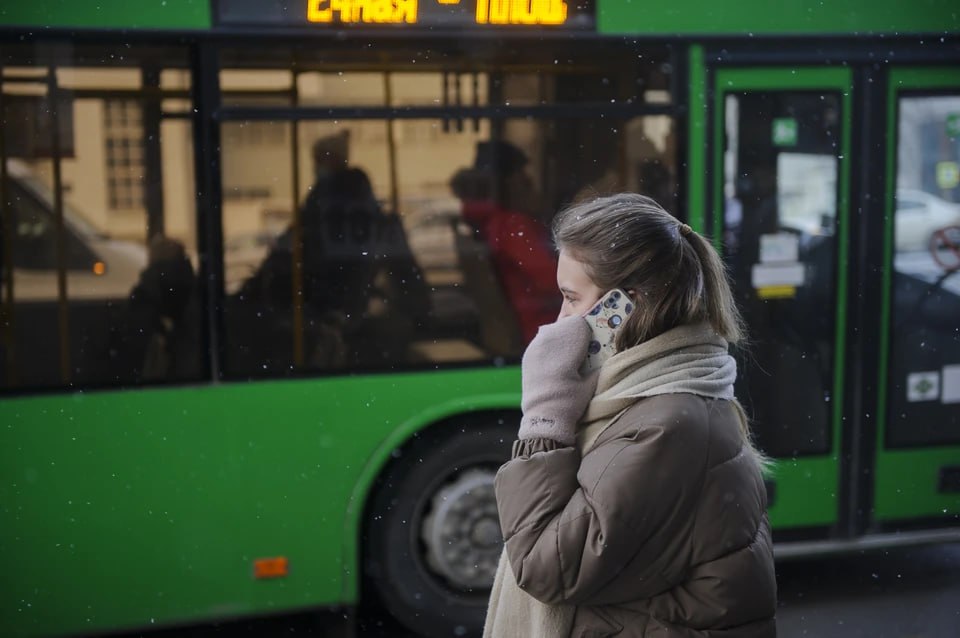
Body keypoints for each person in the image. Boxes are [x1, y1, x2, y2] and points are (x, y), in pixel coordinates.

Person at [484, 193, 777, 637]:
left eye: (570, 298)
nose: (560, 319)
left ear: (624, 306)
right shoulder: (658, 398)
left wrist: (545, 417)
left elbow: (546, 567)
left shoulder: (667, 425)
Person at [451, 140, 559, 343]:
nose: (529, 182)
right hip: (545, 326)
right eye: (522, 176)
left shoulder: (492, 222)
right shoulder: (513, 226)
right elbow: (554, 282)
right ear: (508, 182)